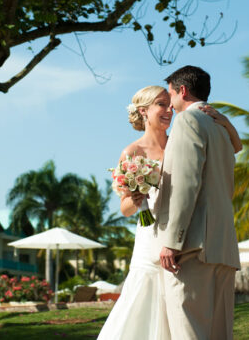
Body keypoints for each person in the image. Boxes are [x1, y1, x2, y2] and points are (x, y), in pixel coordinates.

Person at [98, 83, 241, 340]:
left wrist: (225, 121)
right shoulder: (132, 152)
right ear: (143, 111)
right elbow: (126, 207)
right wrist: (138, 196)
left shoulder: (180, 136)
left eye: (169, 104)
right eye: (161, 105)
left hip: (182, 233)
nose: (168, 110)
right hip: (149, 233)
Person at [154, 65, 241, 340]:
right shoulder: (222, 128)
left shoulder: (187, 121)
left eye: (170, 96)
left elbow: (186, 182)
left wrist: (172, 240)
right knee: (219, 334)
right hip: (224, 246)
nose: (170, 105)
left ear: (182, 90)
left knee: (189, 332)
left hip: (193, 248)